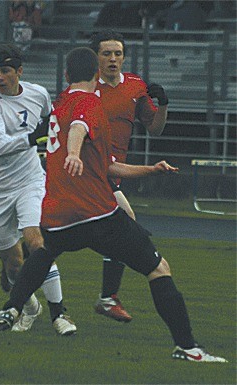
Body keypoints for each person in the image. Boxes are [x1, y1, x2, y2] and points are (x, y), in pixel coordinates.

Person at [0, 46, 228, 363]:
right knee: (158, 268)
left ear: (66, 75)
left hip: (60, 213)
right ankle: (188, 347)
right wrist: (72, 152)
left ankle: (10, 309)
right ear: (97, 74)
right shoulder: (88, 102)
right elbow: (80, 129)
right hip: (96, 212)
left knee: (44, 252)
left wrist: (150, 169)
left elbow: (108, 165)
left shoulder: (59, 106)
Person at [0, 43, 76, 336]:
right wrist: (33, 138)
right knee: (14, 266)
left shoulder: (38, 94)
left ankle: (59, 314)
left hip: (30, 179)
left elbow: (52, 125)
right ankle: (29, 308)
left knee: (38, 242)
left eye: (5, 70)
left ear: (19, 71)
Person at [89, 29, 169, 323]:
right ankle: (108, 297)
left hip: (113, 172)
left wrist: (163, 105)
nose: (112, 59)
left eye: (117, 53)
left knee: (58, 231)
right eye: (106, 53)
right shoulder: (85, 87)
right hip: (90, 170)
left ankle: (19, 263)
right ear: (95, 57)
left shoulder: (135, 86)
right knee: (125, 223)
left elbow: (155, 128)